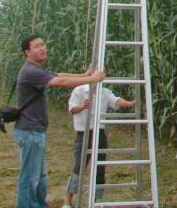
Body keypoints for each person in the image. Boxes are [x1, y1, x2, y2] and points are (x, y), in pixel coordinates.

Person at [13, 33, 106, 208]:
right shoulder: (31, 71)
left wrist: (83, 74)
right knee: (29, 176)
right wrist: (92, 79)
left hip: (34, 131)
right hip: (30, 132)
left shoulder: (36, 69)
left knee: (39, 176)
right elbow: (60, 81)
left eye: (43, 44)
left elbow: (59, 74)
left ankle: (39, 204)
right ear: (27, 52)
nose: (42, 48)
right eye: (37, 46)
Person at [62, 84, 136, 208]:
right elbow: (71, 108)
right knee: (79, 166)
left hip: (99, 133)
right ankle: (67, 201)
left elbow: (116, 101)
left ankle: (96, 201)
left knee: (100, 167)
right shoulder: (79, 90)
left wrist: (129, 103)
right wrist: (81, 107)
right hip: (83, 133)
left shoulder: (105, 92)